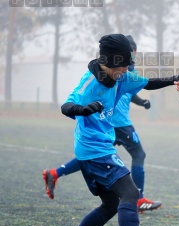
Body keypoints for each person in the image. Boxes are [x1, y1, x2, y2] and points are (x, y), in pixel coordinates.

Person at [50, 34, 179, 226]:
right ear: (109, 62)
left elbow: (148, 82)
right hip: (95, 151)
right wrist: (82, 110)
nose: (128, 69)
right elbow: (66, 106)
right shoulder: (90, 83)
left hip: (96, 151)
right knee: (130, 193)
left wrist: (176, 79)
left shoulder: (122, 77)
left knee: (111, 205)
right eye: (124, 64)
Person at [43, 35, 162, 213]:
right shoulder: (120, 69)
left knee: (94, 156)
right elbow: (72, 103)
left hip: (108, 122)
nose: (133, 58)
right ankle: (139, 198)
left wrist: (142, 102)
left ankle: (55, 172)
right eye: (133, 53)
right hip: (118, 122)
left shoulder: (122, 70)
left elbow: (130, 91)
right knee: (139, 154)